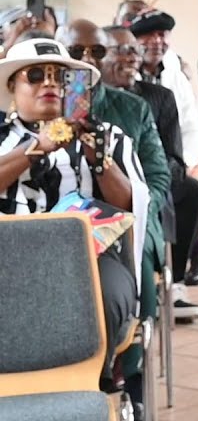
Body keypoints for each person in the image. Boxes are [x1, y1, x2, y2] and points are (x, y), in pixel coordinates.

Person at [0, 38, 150, 393]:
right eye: (35, 75)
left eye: (61, 77)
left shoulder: (109, 137)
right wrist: (35, 148)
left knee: (108, 295)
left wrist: (99, 160)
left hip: (92, 258)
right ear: (12, 89)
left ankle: (95, 384)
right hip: (8, 260)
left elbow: (132, 205)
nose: (49, 83)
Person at [101, 24, 198, 322]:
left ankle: (174, 285)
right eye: (121, 50)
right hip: (102, 193)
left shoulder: (158, 96)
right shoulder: (85, 104)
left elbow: (172, 156)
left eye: (134, 50)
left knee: (192, 192)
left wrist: (146, 191)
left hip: (151, 182)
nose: (132, 57)